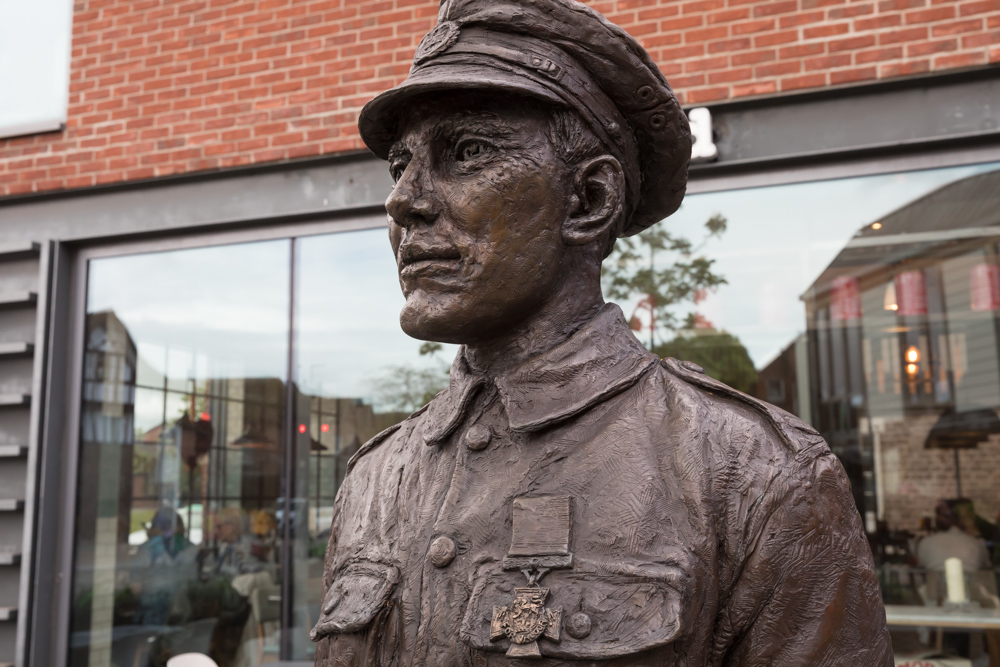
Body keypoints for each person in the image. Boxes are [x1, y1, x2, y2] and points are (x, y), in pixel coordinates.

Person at [311, 0, 892, 664]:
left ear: (589, 200)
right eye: (399, 165)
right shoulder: (372, 479)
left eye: (467, 151)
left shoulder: (756, 475)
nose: (403, 200)